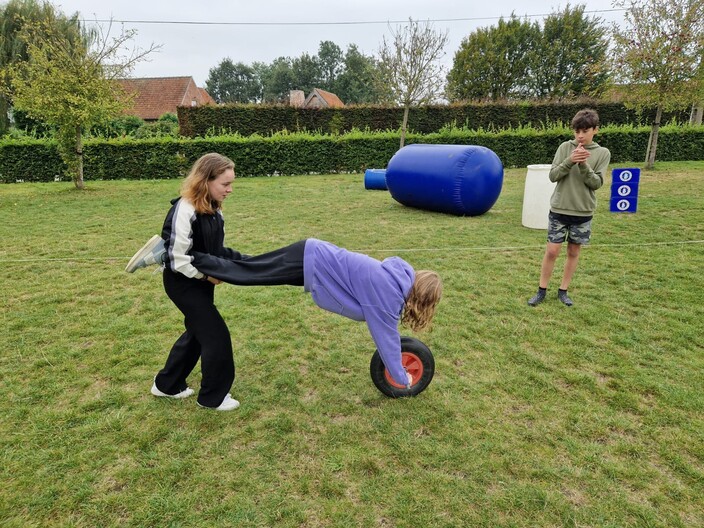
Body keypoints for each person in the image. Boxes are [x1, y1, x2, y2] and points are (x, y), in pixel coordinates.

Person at [128, 237, 443, 389]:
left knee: (247, 268)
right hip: (309, 260)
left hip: (310, 260)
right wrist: (404, 380)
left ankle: (188, 253)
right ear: (421, 298)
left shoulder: (394, 279)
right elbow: (386, 339)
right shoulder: (388, 295)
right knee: (246, 273)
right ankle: (171, 252)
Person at [126, 152, 243, 411]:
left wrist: (234, 266)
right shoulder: (185, 209)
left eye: (231, 183)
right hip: (183, 283)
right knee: (215, 335)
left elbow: (214, 249)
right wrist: (207, 275)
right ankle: (213, 397)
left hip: (202, 283)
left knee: (197, 334)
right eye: (225, 184)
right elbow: (178, 260)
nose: (230, 190)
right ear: (205, 180)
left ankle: (167, 384)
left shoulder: (214, 209)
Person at [527, 108, 611, 307]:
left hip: (583, 212)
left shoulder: (602, 153)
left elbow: (597, 183)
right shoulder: (565, 147)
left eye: (585, 131)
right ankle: (541, 291)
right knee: (552, 251)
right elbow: (553, 175)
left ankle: (563, 291)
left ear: (595, 130)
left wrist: (583, 165)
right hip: (559, 209)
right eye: (577, 131)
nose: (580, 136)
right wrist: (570, 160)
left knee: (573, 252)